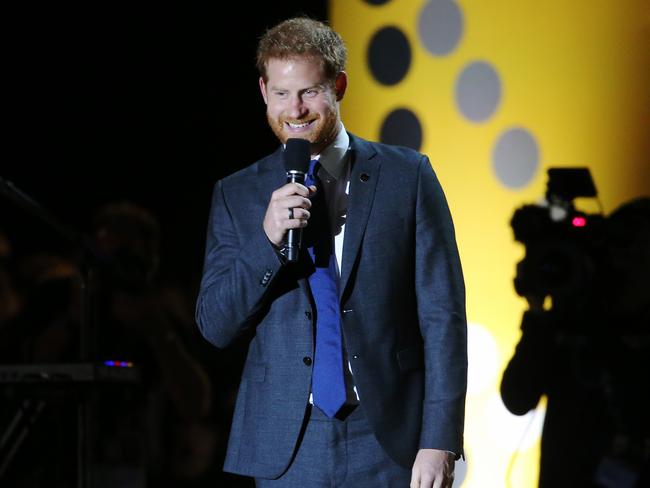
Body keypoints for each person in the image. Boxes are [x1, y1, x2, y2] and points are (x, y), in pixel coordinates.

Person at [195, 17, 467, 488]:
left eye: (309, 91)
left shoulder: (407, 176)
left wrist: (439, 439)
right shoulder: (236, 194)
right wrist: (268, 241)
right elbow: (216, 326)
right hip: (288, 443)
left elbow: (443, 316)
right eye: (281, 93)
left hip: (388, 438)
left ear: (338, 85)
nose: (295, 109)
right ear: (263, 90)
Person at [501, 197, 650, 488]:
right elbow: (517, 397)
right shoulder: (574, 320)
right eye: (621, 253)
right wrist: (539, 315)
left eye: (641, 255)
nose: (627, 265)